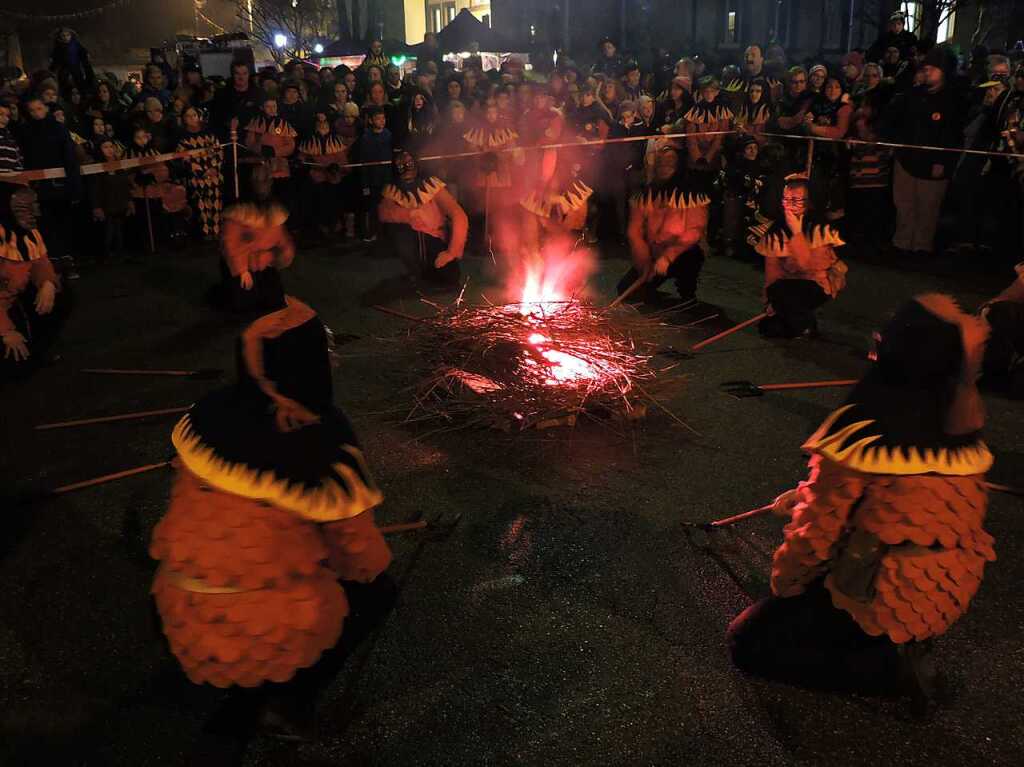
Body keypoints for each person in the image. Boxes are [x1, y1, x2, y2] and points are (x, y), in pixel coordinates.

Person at [151, 183, 391, 737]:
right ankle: (286, 700)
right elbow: (360, 554)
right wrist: (368, 571)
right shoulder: (325, 445)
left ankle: (233, 682)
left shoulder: (203, 417)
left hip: (181, 612)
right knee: (375, 593)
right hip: (259, 625)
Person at [727, 294, 994, 710]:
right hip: (944, 589)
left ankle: (885, 671)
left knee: (748, 640)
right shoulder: (959, 421)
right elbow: (905, 501)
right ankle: (900, 643)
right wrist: (804, 494)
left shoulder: (865, 426)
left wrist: (782, 590)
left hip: (880, 591)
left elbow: (815, 538)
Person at [883, 45, 962, 258]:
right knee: (904, 204)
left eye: (932, 69)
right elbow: (895, 120)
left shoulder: (952, 99)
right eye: (925, 68)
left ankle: (921, 246)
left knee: (927, 207)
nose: (927, 72)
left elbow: (953, 135)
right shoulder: (913, 94)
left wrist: (943, 162)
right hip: (907, 158)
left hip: (933, 163)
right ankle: (901, 243)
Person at [751, 175, 847, 338]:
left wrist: (797, 232)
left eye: (796, 200)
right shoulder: (777, 229)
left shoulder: (819, 228)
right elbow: (772, 272)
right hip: (786, 286)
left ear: (808, 202)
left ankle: (805, 323)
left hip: (817, 283)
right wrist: (770, 301)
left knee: (789, 298)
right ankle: (796, 320)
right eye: (786, 200)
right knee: (770, 326)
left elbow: (808, 266)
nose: (790, 206)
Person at [616, 146, 710, 305]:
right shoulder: (645, 195)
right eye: (661, 161)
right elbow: (634, 231)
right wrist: (643, 260)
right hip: (654, 253)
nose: (665, 165)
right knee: (626, 291)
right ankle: (655, 293)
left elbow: (694, 231)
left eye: (670, 160)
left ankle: (687, 292)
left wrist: (667, 257)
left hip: (682, 252)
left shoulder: (690, 194)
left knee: (692, 257)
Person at [0, 186, 66, 378]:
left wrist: (48, 284)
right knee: (14, 366)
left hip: (10, 299)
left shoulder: (28, 233)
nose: (36, 212)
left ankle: (39, 346)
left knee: (60, 296)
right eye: (25, 208)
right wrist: (5, 331)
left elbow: (41, 263)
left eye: (35, 205)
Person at [378, 149, 468, 288]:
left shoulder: (432, 185)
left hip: (434, 237)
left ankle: (427, 272)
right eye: (401, 166)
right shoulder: (393, 189)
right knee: (404, 239)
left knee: (449, 275)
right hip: (409, 239)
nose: (406, 168)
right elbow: (384, 212)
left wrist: (452, 252)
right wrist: (407, 215)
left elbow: (458, 215)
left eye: (409, 163)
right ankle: (416, 271)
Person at [17, 95, 82, 279]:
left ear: (45, 108)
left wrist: (74, 185)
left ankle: (66, 259)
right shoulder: (26, 132)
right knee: (46, 224)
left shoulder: (58, 129)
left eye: (39, 108)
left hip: (60, 186)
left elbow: (69, 157)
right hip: (40, 187)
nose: (36, 113)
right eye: (32, 110)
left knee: (63, 223)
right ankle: (52, 261)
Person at [804, 77, 854, 224]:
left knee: (835, 197)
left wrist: (815, 128)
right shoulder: (817, 105)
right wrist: (807, 122)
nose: (833, 91)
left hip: (837, 157)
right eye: (829, 87)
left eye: (837, 87)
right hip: (817, 155)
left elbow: (839, 132)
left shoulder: (845, 108)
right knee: (817, 193)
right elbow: (806, 125)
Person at [298, 112, 350, 239]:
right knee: (319, 204)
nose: (322, 125)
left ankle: (336, 228)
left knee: (334, 204)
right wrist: (300, 162)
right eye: (320, 123)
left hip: (334, 178)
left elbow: (343, 160)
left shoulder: (336, 140)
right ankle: (322, 229)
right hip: (317, 178)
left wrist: (340, 168)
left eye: (325, 123)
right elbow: (302, 157)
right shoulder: (309, 141)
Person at [176, 105, 225, 239]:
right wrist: (201, 171)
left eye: (194, 115)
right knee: (201, 204)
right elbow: (184, 158)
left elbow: (218, 151)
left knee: (215, 202)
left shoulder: (209, 133)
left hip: (214, 174)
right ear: (184, 119)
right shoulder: (183, 138)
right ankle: (205, 232)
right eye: (188, 116)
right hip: (197, 177)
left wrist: (213, 168)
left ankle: (216, 230)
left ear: (199, 117)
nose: (192, 118)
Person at [89, 138, 135, 263]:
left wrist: (129, 201)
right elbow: (94, 189)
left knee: (119, 230)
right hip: (105, 204)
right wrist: (96, 207)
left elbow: (125, 185)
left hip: (119, 203)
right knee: (107, 231)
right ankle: (106, 255)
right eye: (105, 147)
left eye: (111, 147)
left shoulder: (119, 164)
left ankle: (120, 252)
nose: (109, 150)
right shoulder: (97, 166)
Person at [353, 106, 393, 242]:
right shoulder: (366, 138)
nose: (381, 121)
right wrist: (365, 184)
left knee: (387, 205)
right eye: (378, 119)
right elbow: (363, 163)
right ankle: (373, 232)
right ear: (370, 121)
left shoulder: (388, 134)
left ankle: (387, 233)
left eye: (383, 118)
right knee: (373, 208)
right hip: (373, 179)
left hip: (387, 177)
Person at [245, 97, 298, 194]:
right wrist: (260, 149)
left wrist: (275, 151)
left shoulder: (283, 124)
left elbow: (290, 146)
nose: (272, 109)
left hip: (279, 164)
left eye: (274, 106)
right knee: (260, 192)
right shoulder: (256, 122)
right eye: (268, 106)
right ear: (262, 108)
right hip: (260, 164)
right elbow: (249, 143)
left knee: (280, 193)